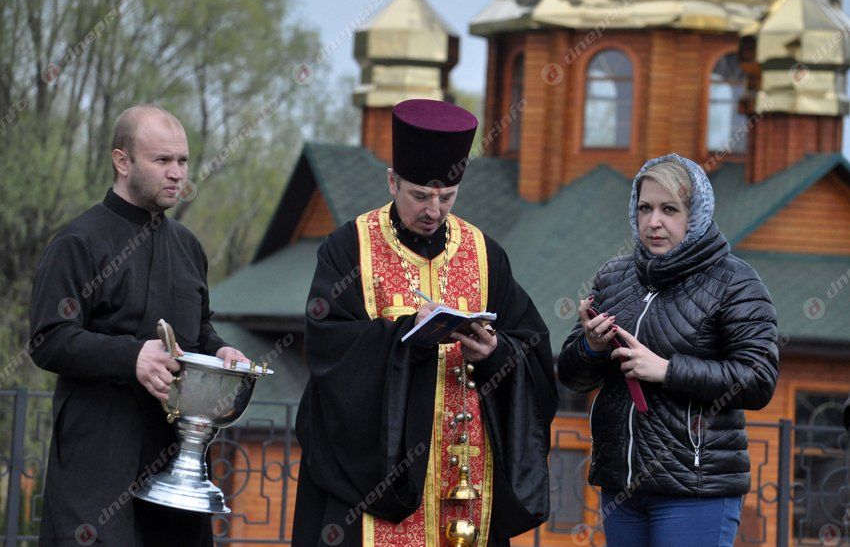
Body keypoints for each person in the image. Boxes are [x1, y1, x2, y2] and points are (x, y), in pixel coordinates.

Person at [292, 99, 558, 546]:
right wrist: (405, 336)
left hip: (467, 473)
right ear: (393, 182)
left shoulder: (485, 254)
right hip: (380, 475)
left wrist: (496, 354)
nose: (433, 209)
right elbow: (327, 346)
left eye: (446, 197)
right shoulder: (349, 248)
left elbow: (530, 344)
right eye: (420, 195)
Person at [30, 105, 248, 547]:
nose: (176, 173)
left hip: (175, 464)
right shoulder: (78, 242)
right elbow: (48, 339)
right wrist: (131, 356)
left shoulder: (188, 246)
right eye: (162, 160)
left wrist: (222, 351)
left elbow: (200, 330)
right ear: (122, 161)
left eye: (183, 161)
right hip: (96, 462)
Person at [558, 153, 779, 546]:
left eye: (669, 209)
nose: (653, 221)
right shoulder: (613, 278)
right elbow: (573, 378)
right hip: (622, 486)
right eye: (644, 208)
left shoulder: (736, 282)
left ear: (695, 215)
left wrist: (667, 370)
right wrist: (590, 346)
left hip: (697, 489)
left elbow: (758, 380)